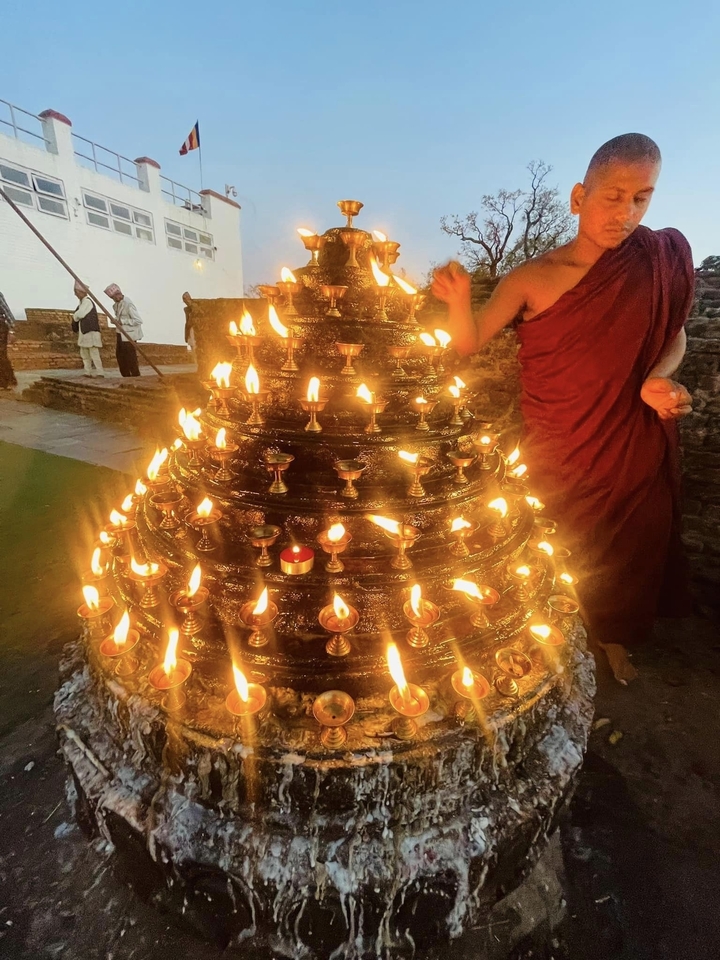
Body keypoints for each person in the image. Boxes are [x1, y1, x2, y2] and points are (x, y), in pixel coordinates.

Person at [432, 133, 695, 685]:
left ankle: (612, 636)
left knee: (630, 549)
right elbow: (469, 342)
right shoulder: (533, 277)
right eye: (613, 196)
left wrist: (657, 378)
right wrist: (459, 302)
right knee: (556, 544)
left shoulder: (656, 260)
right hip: (560, 446)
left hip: (630, 442)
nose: (626, 213)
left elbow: (677, 336)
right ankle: (550, 634)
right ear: (579, 196)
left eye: (641, 198)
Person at [103, 283, 143, 377]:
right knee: (120, 357)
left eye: (117, 295)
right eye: (113, 297)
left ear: (120, 293)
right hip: (120, 334)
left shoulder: (128, 304)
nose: (115, 298)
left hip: (129, 335)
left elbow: (138, 320)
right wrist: (116, 320)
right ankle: (126, 377)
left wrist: (122, 321)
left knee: (131, 358)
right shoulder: (115, 306)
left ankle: (136, 376)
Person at [71, 282, 104, 377]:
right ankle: (87, 372)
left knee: (94, 354)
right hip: (84, 332)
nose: (76, 295)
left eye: (77, 292)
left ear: (81, 292)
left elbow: (80, 314)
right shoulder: (81, 303)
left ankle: (100, 372)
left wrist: (74, 316)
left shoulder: (87, 302)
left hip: (91, 332)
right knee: (84, 354)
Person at [0, 292, 18, 390]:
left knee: (1, 354)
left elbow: (8, 313)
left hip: (1, 327)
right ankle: (10, 379)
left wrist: (11, 331)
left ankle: (5, 382)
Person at [182, 291, 196, 360]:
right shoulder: (187, 310)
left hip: (194, 328)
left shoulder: (195, 306)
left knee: (195, 345)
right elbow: (187, 322)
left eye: (186, 299)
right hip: (190, 328)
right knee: (192, 344)